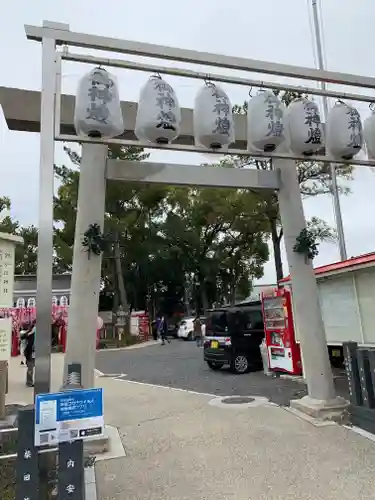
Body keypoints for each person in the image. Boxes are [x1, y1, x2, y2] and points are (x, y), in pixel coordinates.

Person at [23, 321, 36, 387]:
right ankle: (29, 382)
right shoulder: (30, 333)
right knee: (30, 368)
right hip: (31, 353)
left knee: (31, 368)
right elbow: (23, 337)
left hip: (37, 352)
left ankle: (31, 381)